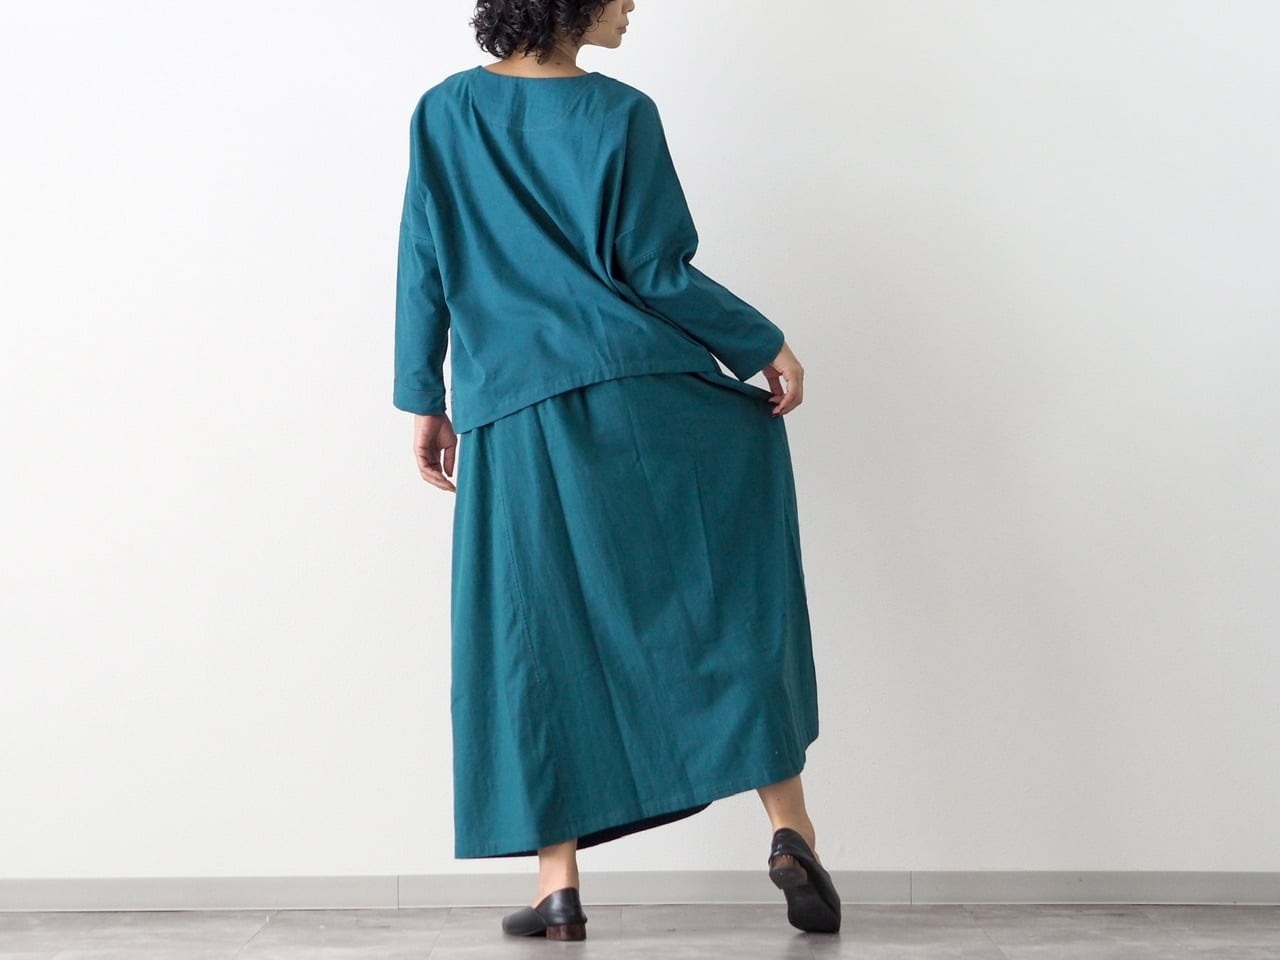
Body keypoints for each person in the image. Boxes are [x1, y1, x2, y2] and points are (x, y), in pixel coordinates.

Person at [393, 0, 841, 940]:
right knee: (721, 598)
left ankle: (558, 886)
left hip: (515, 407)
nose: (634, 3)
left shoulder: (444, 111)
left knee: (536, 636)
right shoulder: (620, 114)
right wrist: (763, 343)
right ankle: (790, 828)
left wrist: (424, 396)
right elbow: (655, 269)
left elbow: (424, 258)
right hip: (641, 390)